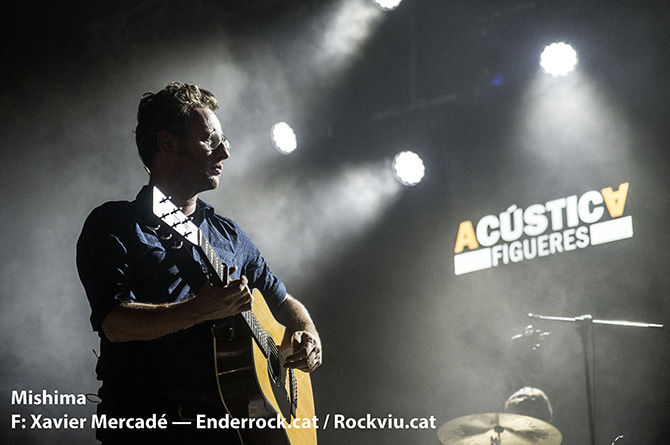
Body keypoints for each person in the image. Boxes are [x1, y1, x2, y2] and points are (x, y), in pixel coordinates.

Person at [77, 82, 322, 444]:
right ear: (166, 143)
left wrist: (307, 332)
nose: (225, 152)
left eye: (224, 141)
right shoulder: (115, 223)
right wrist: (198, 310)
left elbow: (283, 300)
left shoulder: (229, 235)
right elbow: (114, 323)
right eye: (210, 139)